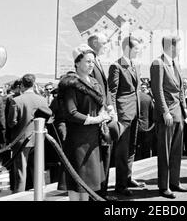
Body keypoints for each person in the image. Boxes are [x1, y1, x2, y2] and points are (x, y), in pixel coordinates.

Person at [59, 46, 112, 201]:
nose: (91, 65)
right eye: (88, 61)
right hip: (78, 139)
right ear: (77, 63)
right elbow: (71, 113)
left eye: (93, 62)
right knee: (77, 183)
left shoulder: (95, 82)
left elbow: (101, 105)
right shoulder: (70, 83)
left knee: (89, 183)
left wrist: (104, 114)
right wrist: (95, 119)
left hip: (93, 138)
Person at [150, 35, 187, 199]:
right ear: (171, 47)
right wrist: (165, 111)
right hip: (166, 114)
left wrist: (185, 108)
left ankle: (175, 181)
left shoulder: (175, 64)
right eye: (179, 46)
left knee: (176, 151)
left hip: (178, 112)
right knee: (165, 151)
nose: (180, 49)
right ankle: (164, 186)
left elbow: (180, 89)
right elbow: (157, 90)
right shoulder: (158, 63)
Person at [109, 35, 145, 196]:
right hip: (123, 114)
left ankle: (128, 178)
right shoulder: (116, 66)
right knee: (122, 151)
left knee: (132, 148)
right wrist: (115, 113)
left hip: (135, 112)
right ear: (128, 48)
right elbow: (112, 92)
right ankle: (120, 185)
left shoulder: (135, 65)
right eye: (137, 48)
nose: (139, 51)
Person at [7, 74, 52, 193]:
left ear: (21, 85)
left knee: (21, 171)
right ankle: (40, 192)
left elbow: (12, 122)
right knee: (38, 169)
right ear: (34, 84)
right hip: (38, 138)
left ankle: (19, 195)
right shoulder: (42, 100)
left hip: (21, 140)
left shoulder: (16, 100)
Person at [87, 33, 117, 200]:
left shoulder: (98, 61)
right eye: (105, 42)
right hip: (98, 116)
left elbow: (105, 89)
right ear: (95, 43)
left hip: (105, 114)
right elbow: (93, 91)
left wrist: (111, 106)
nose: (107, 45)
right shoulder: (89, 63)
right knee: (99, 156)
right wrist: (104, 109)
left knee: (105, 153)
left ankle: (102, 193)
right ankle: (97, 194)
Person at [136, 82, 155, 160]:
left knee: (135, 147)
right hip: (146, 126)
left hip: (135, 126)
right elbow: (152, 112)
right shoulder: (147, 98)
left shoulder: (131, 97)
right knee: (145, 148)